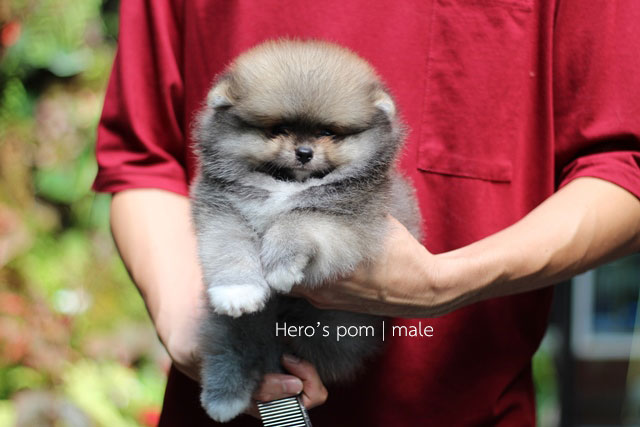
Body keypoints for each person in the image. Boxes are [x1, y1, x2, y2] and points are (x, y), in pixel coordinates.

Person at [93, 1, 640, 425]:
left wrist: (444, 282)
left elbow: (623, 169)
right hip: (226, 399)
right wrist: (189, 330)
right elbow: (140, 158)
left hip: (459, 406)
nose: (302, 150)